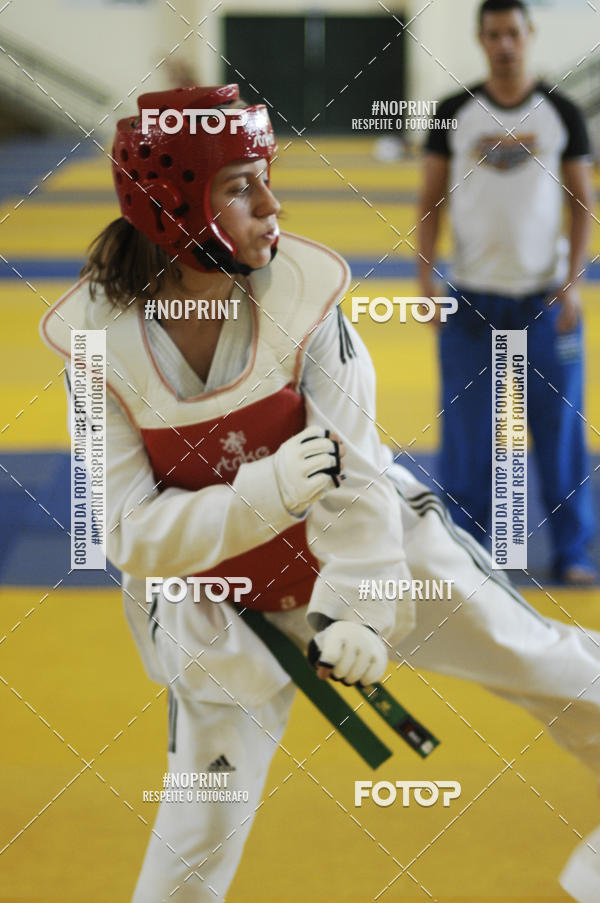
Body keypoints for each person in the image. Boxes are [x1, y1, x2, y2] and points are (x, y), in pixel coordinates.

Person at [40, 84, 600, 903]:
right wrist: (266, 489)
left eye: (265, 175)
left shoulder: (307, 300)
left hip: (374, 550)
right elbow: (130, 536)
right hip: (220, 606)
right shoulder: (95, 344)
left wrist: (359, 609)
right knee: (192, 843)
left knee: (544, 660)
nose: (272, 203)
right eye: (239, 185)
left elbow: (358, 473)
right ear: (171, 207)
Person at [418, 0, 596, 585]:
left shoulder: (561, 112)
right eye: (493, 34)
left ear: (529, 35)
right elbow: (428, 200)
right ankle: (469, 551)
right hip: (471, 301)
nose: (504, 44)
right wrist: (424, 276)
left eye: (512, 33)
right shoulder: (453, 113)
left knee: (558, 432)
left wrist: (572, 285)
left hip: (544, 301)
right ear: (481, 39)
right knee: (470, 437)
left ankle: (572, 549)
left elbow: (582, 203)